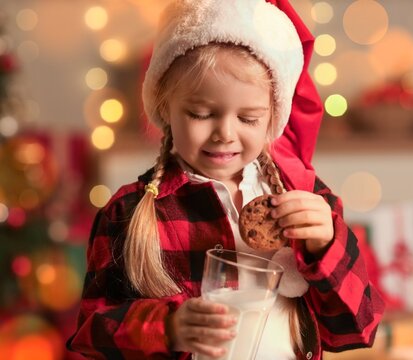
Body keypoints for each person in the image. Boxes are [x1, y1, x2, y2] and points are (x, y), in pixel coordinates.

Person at [67, 0, 384, 359]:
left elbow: (358, 329)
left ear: (272, 118)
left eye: (248, 118)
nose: (225, 134)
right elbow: (90, 336)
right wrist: (168, 328)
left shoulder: (307, 198)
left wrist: (326, 246)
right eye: (201, 113)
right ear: (165, 106)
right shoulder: (129, 212)